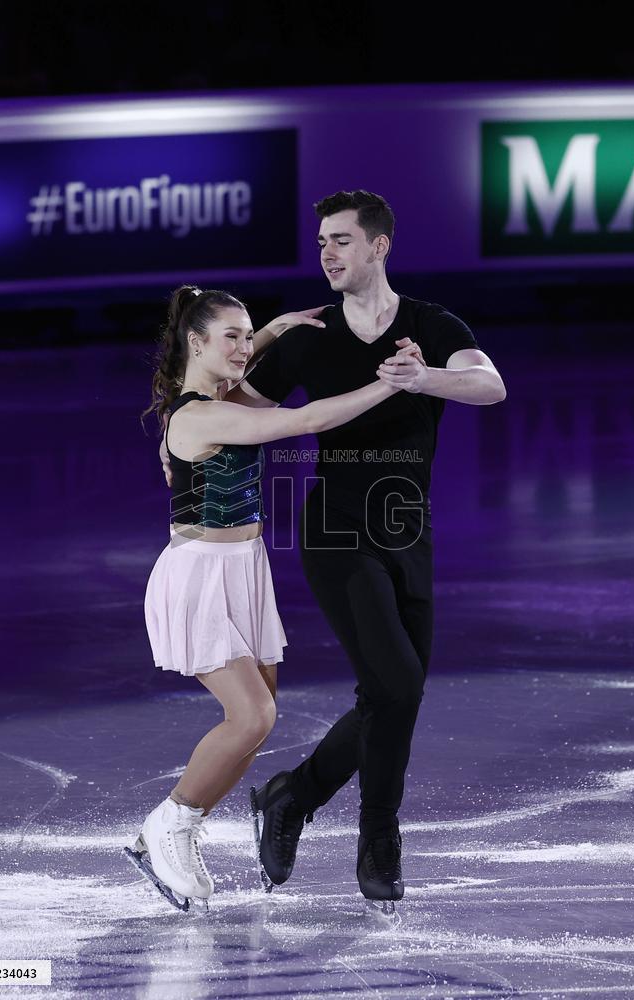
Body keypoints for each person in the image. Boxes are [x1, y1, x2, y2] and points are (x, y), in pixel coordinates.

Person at [219, 190, 507, 915]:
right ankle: (379, 839)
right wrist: (268, 338)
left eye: (342, 240)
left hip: (410, 532)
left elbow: (490, 385)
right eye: (321, 241)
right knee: (400, 688)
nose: (327, 252)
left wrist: (423, 378)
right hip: (336, 533)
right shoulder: (312, 337)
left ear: (380, 246)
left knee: (390, 693)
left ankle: (291, 795)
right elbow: (236, 404)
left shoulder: (430, 325)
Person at [129, 283, 414, 910]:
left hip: (243, 569)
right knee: (250, 717)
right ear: (196, 342)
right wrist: (393, 383)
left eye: (245, 333)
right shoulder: (199, 415)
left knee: (260, 718)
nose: (242, 346)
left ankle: (182, 827)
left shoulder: (220, 389)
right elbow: (303, 420)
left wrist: (274, 329)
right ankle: (169, 823)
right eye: (228, 335)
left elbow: (234, 364)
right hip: (199, 576)